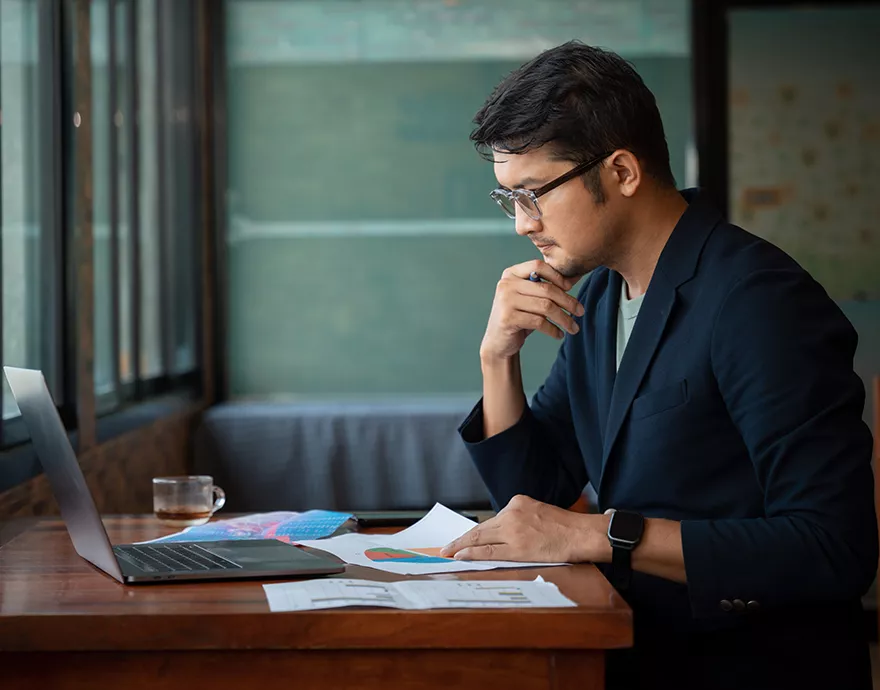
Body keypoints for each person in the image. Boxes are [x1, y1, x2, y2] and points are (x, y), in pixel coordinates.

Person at [439, 41, 878, 690]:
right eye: (511, 200)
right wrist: (497, 358)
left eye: (533, 195)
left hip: (752, 668)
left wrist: (601, 536)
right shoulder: (602, 295)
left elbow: (832, 548)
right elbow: (537, 499)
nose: (522, 226)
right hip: (637, 652)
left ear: (621, 172)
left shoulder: (758, 300)